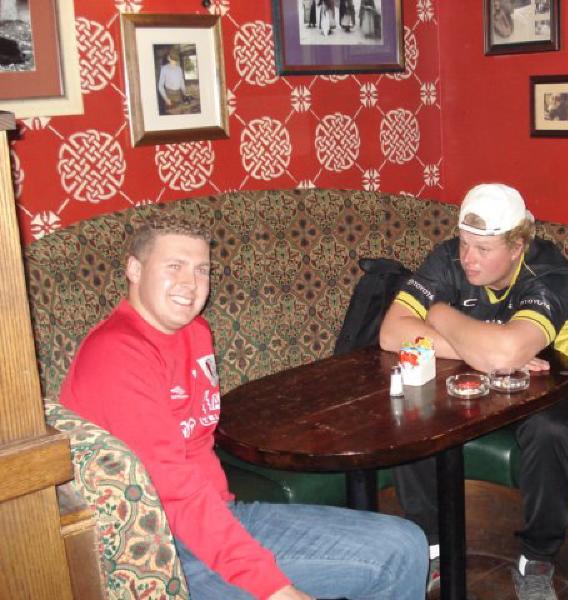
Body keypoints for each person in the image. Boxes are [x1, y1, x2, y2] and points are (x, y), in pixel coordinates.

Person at [60, 215, 428, 600]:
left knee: (403, 544)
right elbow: (172, 490)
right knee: (393, 558)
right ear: (135, 270)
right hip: (159, 550)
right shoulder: (117, 355)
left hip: (216, 518)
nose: (190, 283)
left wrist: (240, 545)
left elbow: (197, 451)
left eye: (201, 270)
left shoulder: (195, 332)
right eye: (174, 266)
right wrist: (274, 588)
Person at [380, 183, 568, 600]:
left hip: (559, 381)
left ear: (517, 247)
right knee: (412, 400)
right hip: (478, 377)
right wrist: (482, 353)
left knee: (549, 430)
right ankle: (434, 547)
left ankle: (537, 559)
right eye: (464, 243)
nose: (467, 258)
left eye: (483, 249)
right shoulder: (448, 258)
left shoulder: (549, 272)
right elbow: (391, 333)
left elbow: (506, 352)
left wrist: (438, 314)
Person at [157, 49, 187, 113]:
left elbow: (181, 81)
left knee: (180, 114)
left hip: (178, 95)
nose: (174, 62)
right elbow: (160, 86)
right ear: (168, 58)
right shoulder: (164, 69)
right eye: (173, 59)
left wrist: (184, 92)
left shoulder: (179, 68)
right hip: (169, 95)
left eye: (175, 60)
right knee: (171, 114)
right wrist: (166, 99)